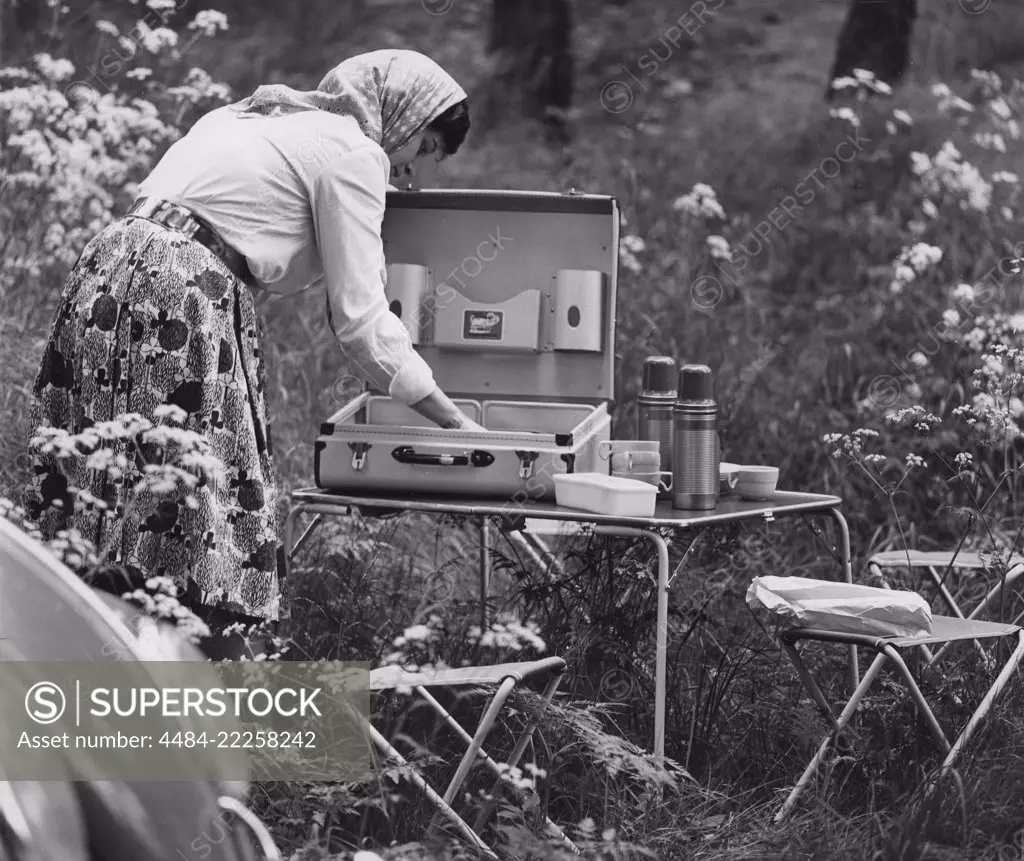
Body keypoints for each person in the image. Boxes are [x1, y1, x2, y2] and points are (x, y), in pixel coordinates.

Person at [25, 49, 483, 659]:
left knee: (97, 481)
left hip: (107, 268)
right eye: (425, 148)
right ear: (401, 118)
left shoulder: (248, 116)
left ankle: (80, 655)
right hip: (183, 288)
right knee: (198, 501)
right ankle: (207, 685)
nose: (415, 175)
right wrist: (457, 424)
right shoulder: (357, 154)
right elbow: (363, 321)